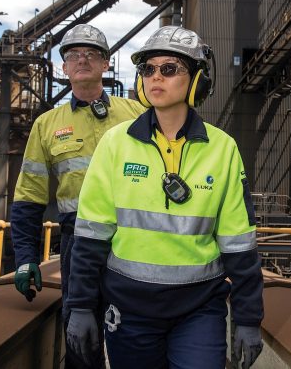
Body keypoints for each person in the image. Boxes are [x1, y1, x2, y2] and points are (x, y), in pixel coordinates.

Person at [65, 26, 264, 369]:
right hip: (129, 309)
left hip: (199, 308)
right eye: (148, 69)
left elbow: (239, 243)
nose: (156, 77)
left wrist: (248, 317)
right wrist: (81, 306)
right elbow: (91, 235)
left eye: (169, 68)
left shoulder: (222, 149)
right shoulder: (115, 143)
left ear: (198, 80)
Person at [10, 23, 146, 369]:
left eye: (91, 54)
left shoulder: (136, 115)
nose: (82, 60)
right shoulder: (47, 125)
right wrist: (25, 258)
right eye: (73, 55)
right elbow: (28, 199)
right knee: (82, 339)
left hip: (135, 238)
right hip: (79, 241)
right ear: (64, 67)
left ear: (106, 64)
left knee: (139, 334)